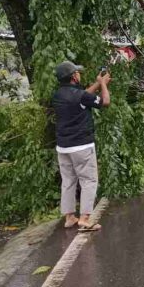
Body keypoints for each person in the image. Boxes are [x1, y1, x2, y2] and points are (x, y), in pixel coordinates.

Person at [52, 61, 110, 232]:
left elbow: (83, 96)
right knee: (89, 180)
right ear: (73, 76)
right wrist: (104, 85)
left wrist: (98, 83)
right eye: (77, 72)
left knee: (68, 181)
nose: (79, 74)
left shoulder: (58, 95)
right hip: (82, 146)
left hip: (63, 147)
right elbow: (105, 102)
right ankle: (85, 219)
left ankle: (69, 217)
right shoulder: (80, 96)